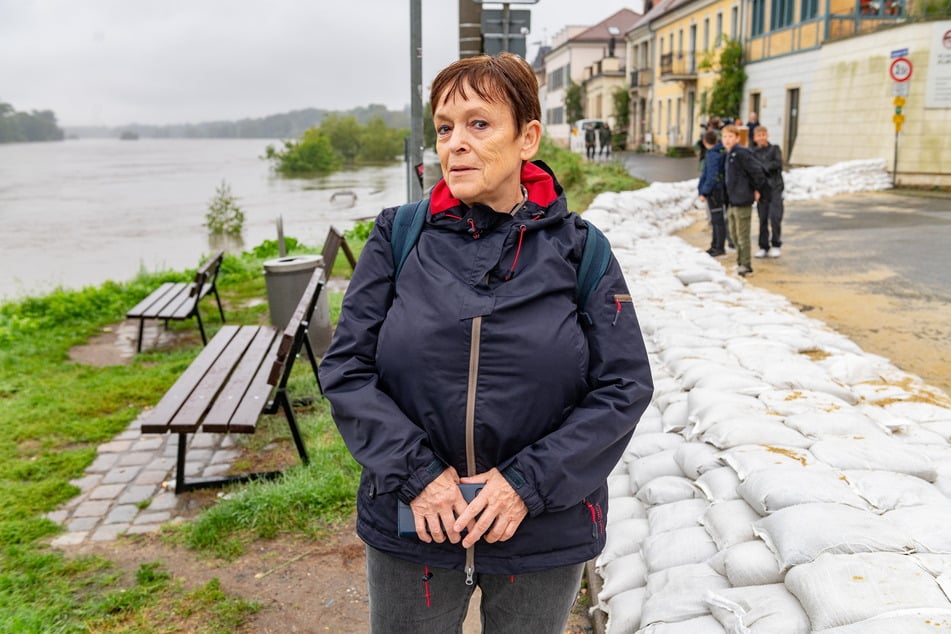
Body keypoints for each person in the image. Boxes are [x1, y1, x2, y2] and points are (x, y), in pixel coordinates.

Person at [318, 53, 654, 634]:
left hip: (540, 531)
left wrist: (525, 485)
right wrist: (419, 476)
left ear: (527, 137)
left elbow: (624, 386)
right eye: (445, 128)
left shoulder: (581, 251)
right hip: (413, 522)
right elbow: (347, 368)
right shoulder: (397, 236)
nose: (455, 144)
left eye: (478, 124)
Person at [722, 123, 768, 276]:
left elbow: (757, 171)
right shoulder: (729, 154)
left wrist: (757, 190)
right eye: (724, 137)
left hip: (743, 199)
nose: (727, 140)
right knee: (734, 234)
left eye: (730, 137)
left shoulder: (742, 153)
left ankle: (746, 264)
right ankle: (740, 261)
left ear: (737, 138)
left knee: (742, 234)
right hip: (732, 200)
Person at [752, 125, 785, 258]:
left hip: (775, 188)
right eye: (758, 135)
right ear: (755, 138)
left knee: (775, 217)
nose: (761, 138)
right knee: (763, 219)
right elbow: (753, 171)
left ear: (767, 135)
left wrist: (763, 167)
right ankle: (763, 246)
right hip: (762, 190)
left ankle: (776, 244)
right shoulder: (753, 153)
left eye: (763, 135)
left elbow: (777, 164)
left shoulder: (774, 149)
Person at [698, 129, 727, 257]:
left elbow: (711, 176)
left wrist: (704, 191)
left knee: (717, 220)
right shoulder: (716, 151)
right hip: (716, 189)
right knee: (716, 219)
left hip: (715, 191)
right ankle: (715, 245)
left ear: (704, 142)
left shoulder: (713, 154)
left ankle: (719, 247)